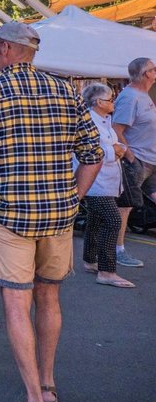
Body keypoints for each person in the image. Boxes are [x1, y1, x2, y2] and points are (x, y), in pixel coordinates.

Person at [0, 21, 102, 402]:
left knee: (15, 301)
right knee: (49, 298)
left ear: (7, 48)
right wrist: (73, 198)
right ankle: (48, 383)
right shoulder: (65, 90)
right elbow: (93, 154)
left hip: (10, 217)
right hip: (58, 216)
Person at [80, 83, 134, 288]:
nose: (113, 101)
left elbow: (113, 147)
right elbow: (96, 151)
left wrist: (117, 148)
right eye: (110, 98)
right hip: (96, 181)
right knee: (112, 220)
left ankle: (90, 259)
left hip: (103, 181)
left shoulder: (103, 120)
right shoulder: (90, 123)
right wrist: (116, 150)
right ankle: (106, 270)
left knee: (96, 219)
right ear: (98, 102)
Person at [111, 56, 156, 268]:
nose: (155, 72)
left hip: (150, 160)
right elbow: (116, 130)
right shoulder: (130, 97)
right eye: (153, 69)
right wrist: (131, 158)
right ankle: (118, 250)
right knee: (125, 206)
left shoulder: (143, 95)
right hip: (138, 160)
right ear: (146, 73)